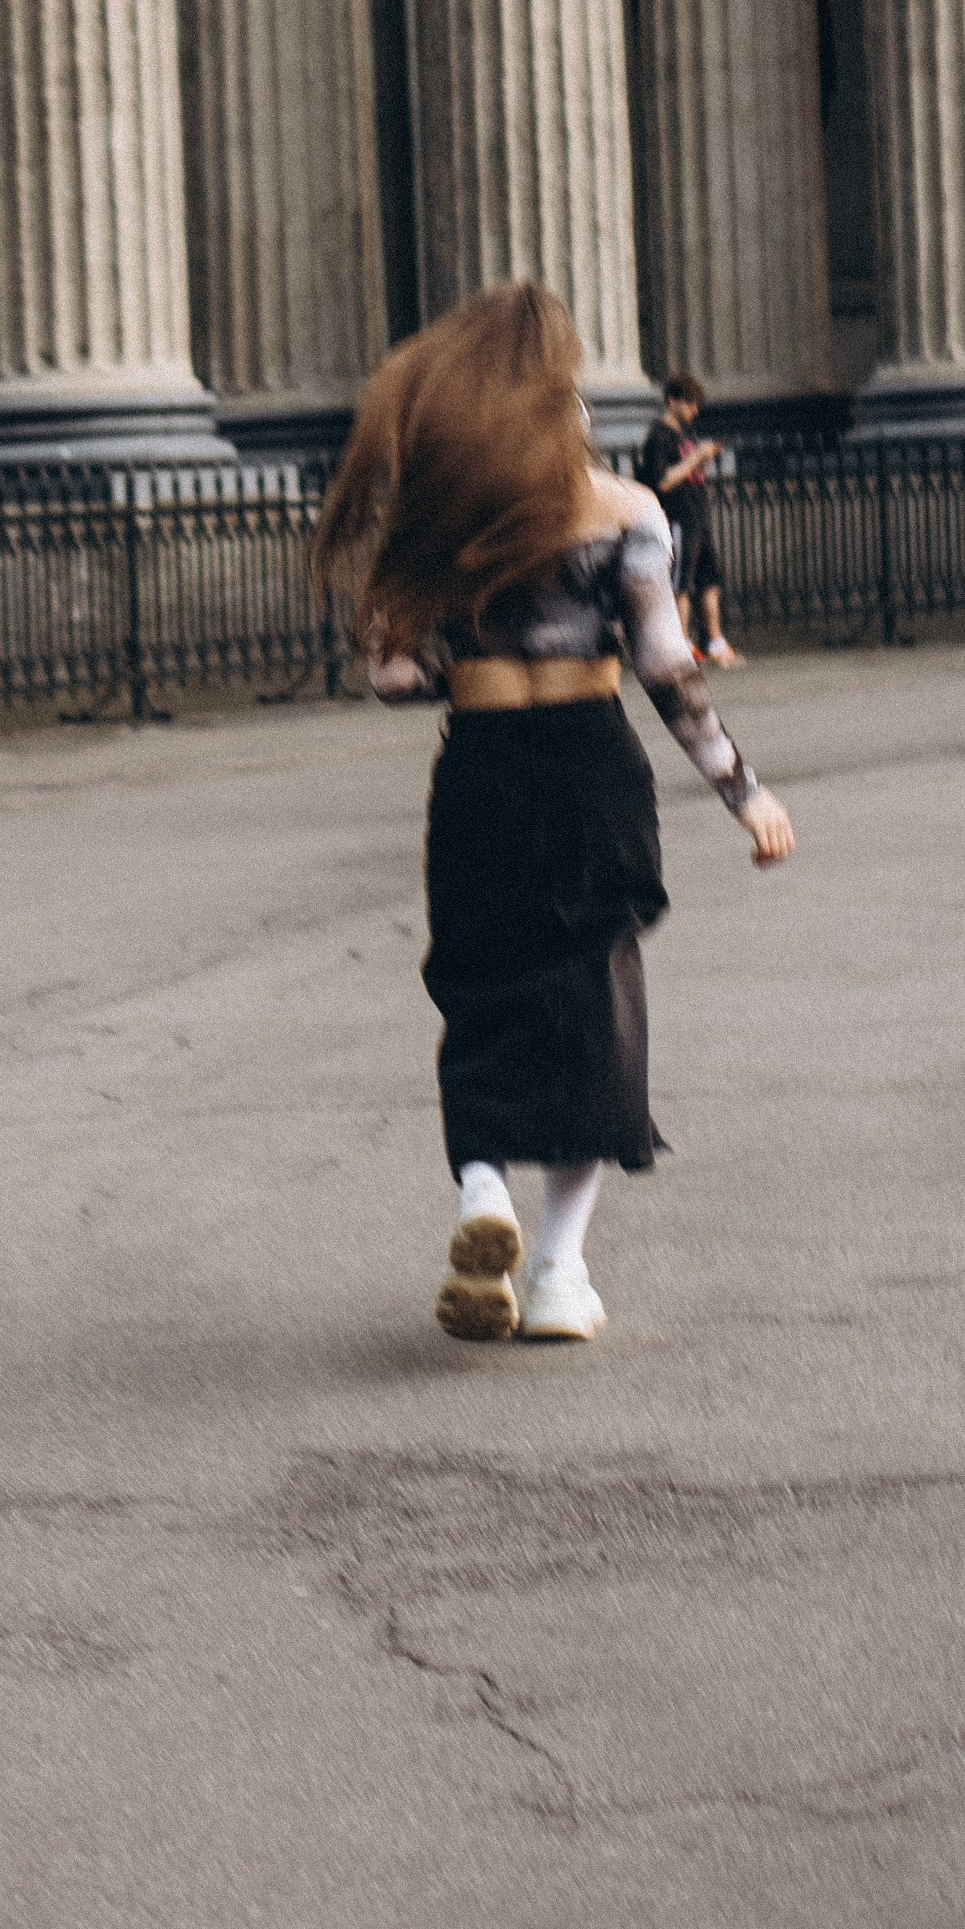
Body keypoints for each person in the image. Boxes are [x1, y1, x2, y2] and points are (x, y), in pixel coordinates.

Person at [312, 286, 794, 1346]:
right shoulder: (626, 511)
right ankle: (559, 1277)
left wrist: (455, 656)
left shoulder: (450, 529)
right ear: (561, 396)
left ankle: (481, 1193)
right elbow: (667, 668)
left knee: (480, 985)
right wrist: (742, 790)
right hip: (589, 764)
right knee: (592, 1000)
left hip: (481, 769)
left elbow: (393, 677)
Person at [638, 369, 740, 664]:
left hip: (698, 515)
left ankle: (714, 639)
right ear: (673, 401)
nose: (695, 410)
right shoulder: (659, 437)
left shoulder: (686, 434)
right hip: (678, 517)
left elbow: (688, 472)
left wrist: (704, 459)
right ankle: (680, 643)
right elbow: (663, 480)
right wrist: (695, 458)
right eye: (690, 403)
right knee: (681, 582)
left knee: (710, 576)